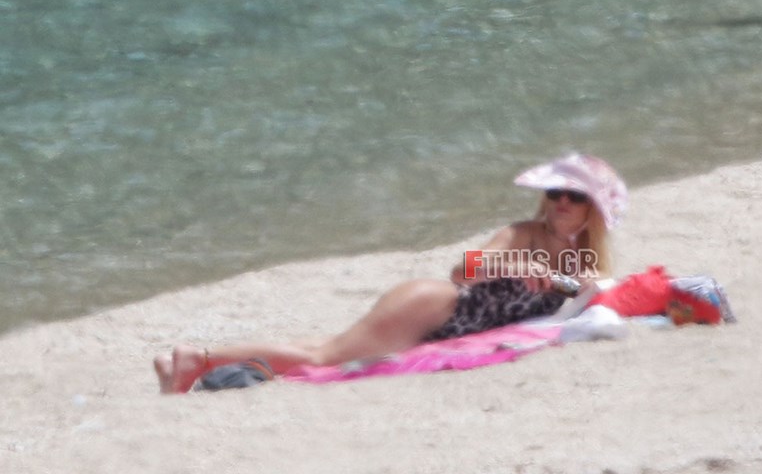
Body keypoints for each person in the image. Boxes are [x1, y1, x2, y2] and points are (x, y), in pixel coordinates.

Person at [154, 152, 627, 393]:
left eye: (575, 196)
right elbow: (464, 268)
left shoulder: (580, 259)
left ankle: (195, 363)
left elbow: (586, 288)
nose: (562, 202)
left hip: (443, 325)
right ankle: (197, 359)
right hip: (436, 306)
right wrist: (520, 263)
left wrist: (559, 278)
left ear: (593, 208)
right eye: (555, 193)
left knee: (323, 350)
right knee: (323, 355)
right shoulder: (523, 233)